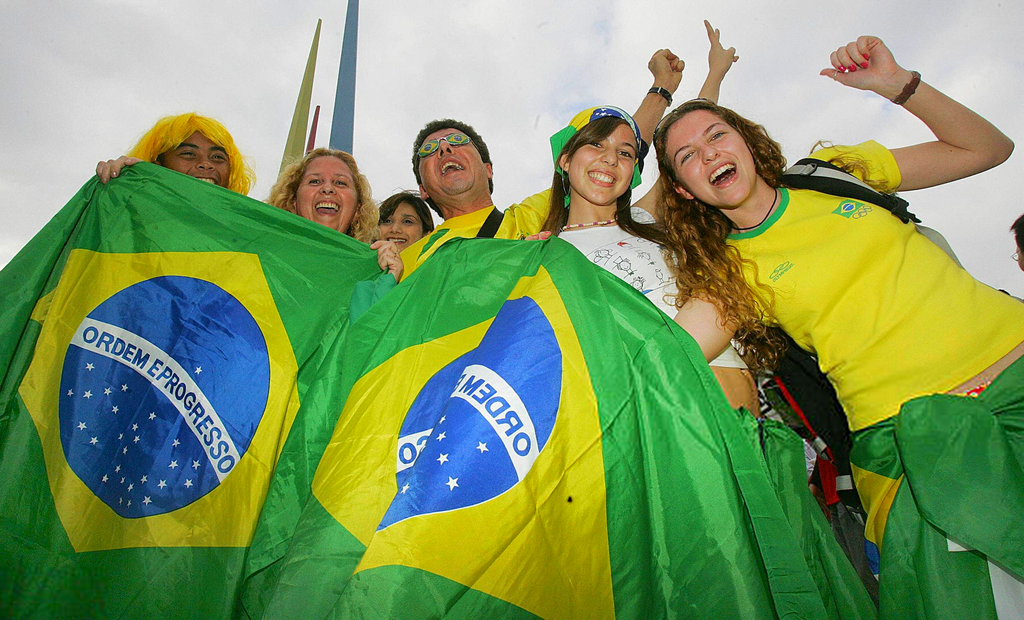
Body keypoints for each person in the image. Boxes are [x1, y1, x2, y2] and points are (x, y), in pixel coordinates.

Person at [653, 35, 1022, 617]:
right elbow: (662, 358)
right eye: (686, 156)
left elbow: (988, 148)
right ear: (682, 189)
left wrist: (899, 85)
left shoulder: (836, 173)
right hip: (918, 456)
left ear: (746, 140)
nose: (708, 155)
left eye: (716, 135)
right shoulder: (728, 271)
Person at [397, 48, 688, 281]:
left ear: (488, 169)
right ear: (422, 189)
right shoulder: (400, 262)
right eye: (430, 149)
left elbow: (611, 157)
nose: (445, 147)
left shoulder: (537, 215)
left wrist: (661, 89)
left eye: (458, 142)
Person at [95, 113, 256, 195]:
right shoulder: (130, 217)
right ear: (157, 165)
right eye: (188, 153)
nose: (206, 164)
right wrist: (121, 186)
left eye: (217, 157)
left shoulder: (248, 233)